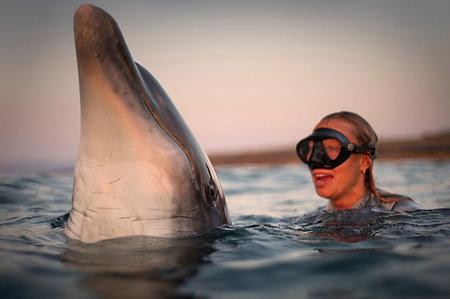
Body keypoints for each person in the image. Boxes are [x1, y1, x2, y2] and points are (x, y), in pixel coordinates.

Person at [296, 111, 422, 212]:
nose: (316, 159)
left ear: (364, 161)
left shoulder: (400, 212)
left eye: (332, 148)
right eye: (311, 149)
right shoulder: (313, 219)